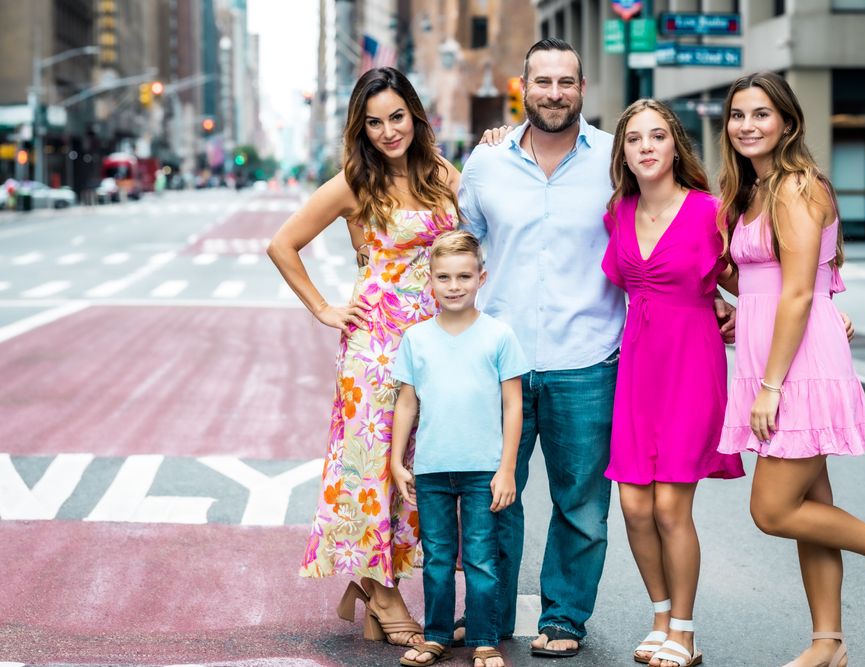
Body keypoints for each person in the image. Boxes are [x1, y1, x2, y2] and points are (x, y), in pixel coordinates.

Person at [459, 38, 736, 658]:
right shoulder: (486, 164)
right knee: (493, 499)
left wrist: (718, 298)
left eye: (566, 82)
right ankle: (491, 617)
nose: (553, 92)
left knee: (581, 507)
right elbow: (461, 247)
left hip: (590, 358)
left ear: (582, 89)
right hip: (501, 361)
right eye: (542, 81)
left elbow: (682, 237)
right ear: (522, 87)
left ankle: (563, 619)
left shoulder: (620, 158)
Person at [715, 71, 865, 667]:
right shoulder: (754, 191)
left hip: (794, 367)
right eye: (738, 115)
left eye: (762, 114)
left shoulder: (795, 186)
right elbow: (771, 280)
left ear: (788, 122)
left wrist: (770, 386)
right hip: (776, 353)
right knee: (812, 506)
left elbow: (798, 294)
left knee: (773, 510)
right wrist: (728, 302)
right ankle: (828, 644)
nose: (748, 125)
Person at [267, 66, 461, 647]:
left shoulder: (444, 174)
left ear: (415, 115)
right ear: (361, 128)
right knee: (371, 469)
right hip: (375, 350)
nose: (387, 131)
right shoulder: (354, 182)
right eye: (373, 122)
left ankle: (377, 582)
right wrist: (324, 308)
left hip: (436, 348)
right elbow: (283, 244)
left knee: (417, 470)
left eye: (396, 117)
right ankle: (381, 590)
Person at [601, 99, 745, 667]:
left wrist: (733, 307)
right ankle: (659, 615)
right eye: (634, 139)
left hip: (691, 365)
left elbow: (754, 278)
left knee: (668, 508)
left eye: (657, 135)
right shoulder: (618, 212)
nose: (646, 146)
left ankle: (683, 632)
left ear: (674, 145)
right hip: (635, 370)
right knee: (633, 506)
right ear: (625, 154)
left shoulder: (712, 211)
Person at [390, 230, 528, 667]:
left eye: (464, 276)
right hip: (431, 469)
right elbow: (407, 401)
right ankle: (436, 636)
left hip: (482, 470)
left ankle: (484, 640)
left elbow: (513, 405)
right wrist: (396, 461)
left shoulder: (499, 336)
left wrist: (506, 469)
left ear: (481, 278)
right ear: (429, 280)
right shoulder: (417, 339)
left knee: (483, 561)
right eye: (445, 277)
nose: (454, 286)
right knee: (437, 560)